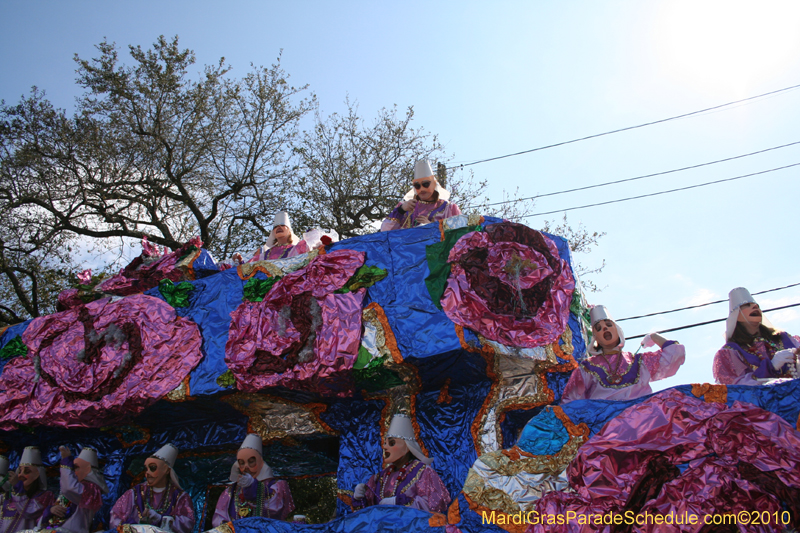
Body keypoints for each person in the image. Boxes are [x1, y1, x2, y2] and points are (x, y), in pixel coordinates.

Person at [561, 305, 685, 403]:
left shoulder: (640, 362)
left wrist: (654, 336)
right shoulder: (586, 368)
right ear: (596, 338)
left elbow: (674, 354)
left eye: (609, 325)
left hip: (641, 423)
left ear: (617, 330)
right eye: (599, 328)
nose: (605, 329)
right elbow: (570, 402)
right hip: (605, 427)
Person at [352, 414, 450, 514]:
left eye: (392, 443)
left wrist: (398, 502)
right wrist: (360, 497)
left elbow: (433, 506)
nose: (385, 447)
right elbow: (366, 514)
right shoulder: (379, 478)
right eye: (385, 443)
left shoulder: (423, 472)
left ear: (407, 447)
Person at [713, 287, 799, 385]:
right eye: (747, 305)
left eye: (756, 305)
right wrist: (771, 366)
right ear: (736, 315)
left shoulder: (783, 338)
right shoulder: (731, 352)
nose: (755, 307)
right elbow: (735, 387)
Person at [109, 444, 194, 533]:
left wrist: (161, 519)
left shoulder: (180, 497)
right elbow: (116, 517)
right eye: (146, 468)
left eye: (153, 468)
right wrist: (133, 527)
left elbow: (187, 524)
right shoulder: (134, 493)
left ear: (166, 470)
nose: (147, 473)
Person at [212, 434, 294, 524]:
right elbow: (219, 521)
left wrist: (251, 486)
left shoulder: (277, 486)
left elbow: (274, 509)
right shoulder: (229, 493)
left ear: (260, 462)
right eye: (242, 463)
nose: (246, 467)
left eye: (251, 462)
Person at [38, 447, 107, 533]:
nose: (72, 471)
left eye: (75, 468)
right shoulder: (74, 488)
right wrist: (51, 510)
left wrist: (66, 463)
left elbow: (69, 488)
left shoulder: (91, 489)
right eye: (72, 468)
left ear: (88, 470)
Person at [380, 160, 462, 232]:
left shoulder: (448, 209)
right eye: (417, 185)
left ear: (433, 184)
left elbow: (458, 236)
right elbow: (385, 232)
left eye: (425, 184)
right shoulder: (406, 208)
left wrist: (432, 227)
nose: (422, 189)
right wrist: (401, 210)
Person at [0, 447, 54, 533]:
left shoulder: (44, 496)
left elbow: (30, 512)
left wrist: (18, 487)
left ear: (37, 474)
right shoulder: (6, 497)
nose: (21, 475)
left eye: (27, 471)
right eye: (20, 471)